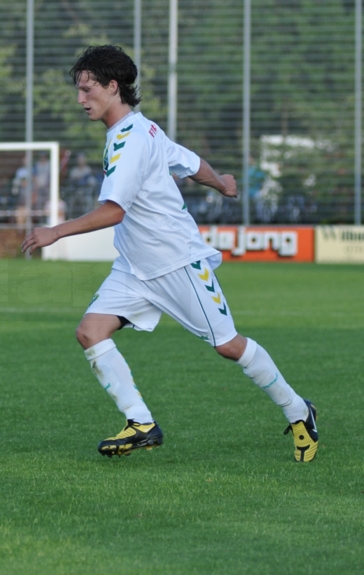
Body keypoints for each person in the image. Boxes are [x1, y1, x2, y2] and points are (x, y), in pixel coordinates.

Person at [21, 45, 317, 462]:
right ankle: (141, 423)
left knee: (228, 345)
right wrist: (222, 184)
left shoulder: (131, 140)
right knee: (90, 331)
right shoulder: (143, 130)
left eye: (87, 89)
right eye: (78, 90)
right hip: (134, 267)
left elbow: (114, 210)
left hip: (177, 263)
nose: (80, 99)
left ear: (112, 86)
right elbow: (191, 163)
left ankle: (299, 411)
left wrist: (56, 231)